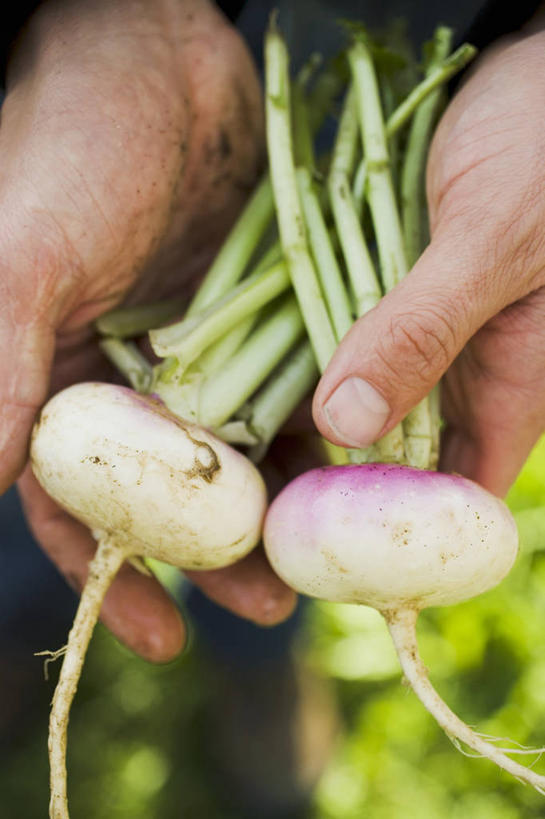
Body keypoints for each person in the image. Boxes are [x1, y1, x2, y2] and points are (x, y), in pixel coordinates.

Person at [1, 0, 545, 811]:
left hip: (480, 97)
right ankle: (16, 626)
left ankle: (257, 667)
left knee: (275, 569)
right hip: (169, 88)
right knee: (31, 484)